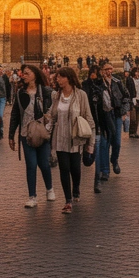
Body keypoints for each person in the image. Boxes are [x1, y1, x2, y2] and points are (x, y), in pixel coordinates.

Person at [8, 65, 55, 207]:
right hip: (26, 134)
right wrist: (11, 135)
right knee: (31, 165)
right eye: (23, 74)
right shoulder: (20, 93)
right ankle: (32, 196)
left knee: (44, 164)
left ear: (34, 75)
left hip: (42, 133)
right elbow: (15, 114)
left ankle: (49, 188)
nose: (24, 76)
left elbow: (53, 110)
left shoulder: (46, 92)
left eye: (27, 73)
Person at [51, 66, 95, 213]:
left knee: (75, 169)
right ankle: (68, 201)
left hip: (76, 138)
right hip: (60, 138)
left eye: (59, 77)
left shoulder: (81, 95)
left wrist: (91, 143)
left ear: (68, 78)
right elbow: (52, 116)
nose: (57, 79)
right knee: (64, 169)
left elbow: (88, 118)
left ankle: (76, 188)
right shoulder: (56, 95)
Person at [124, 67, 139, 139]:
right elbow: (127, 89)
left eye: (138, 72)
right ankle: (131, 132)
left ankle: (135, 132)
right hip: (132, 100)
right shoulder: (130, 80)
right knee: (133, 118)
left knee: (137, 117)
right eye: (136, 72)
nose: (137, 73)